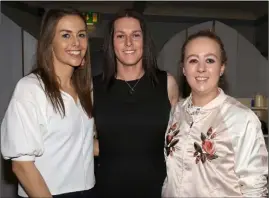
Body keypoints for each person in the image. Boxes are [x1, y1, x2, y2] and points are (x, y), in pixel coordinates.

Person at [1, 8, 96, 198]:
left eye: (81, 35)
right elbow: (21, 165)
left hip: (87, 190)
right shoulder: (31, 88)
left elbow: (81, 142)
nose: (76, 43)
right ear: (49, 41)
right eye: (66, 35)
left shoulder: (85, 88)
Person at [162, 30, 268, 197]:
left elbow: (254, 188)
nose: (201, 68)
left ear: (221, 68)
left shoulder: (241, 119)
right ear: (183, 68)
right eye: (193, 60)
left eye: (210, 60)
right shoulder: (176, 113)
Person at [92, 9, 179, 198]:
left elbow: (179, 140)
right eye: (121, 36)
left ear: (145, 41)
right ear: (111, 43)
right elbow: (81, 141)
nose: (129, 43)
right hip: (108, 189)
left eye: (136, 35)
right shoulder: (94, 87)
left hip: (158, 189)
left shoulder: (167, 83)